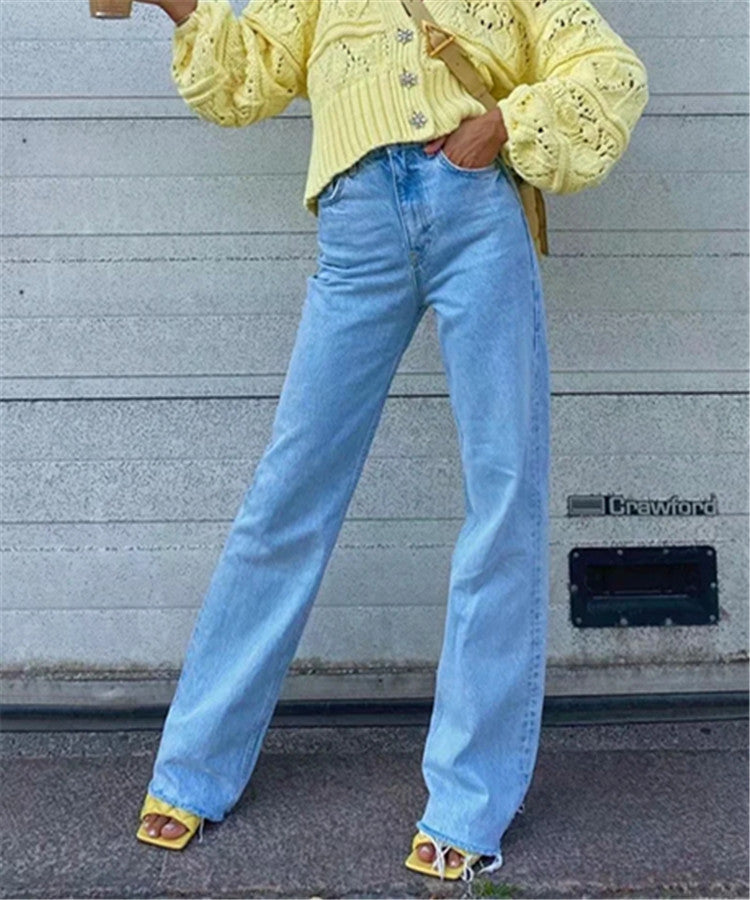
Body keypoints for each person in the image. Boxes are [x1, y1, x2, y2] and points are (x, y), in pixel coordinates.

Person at [134, 0, 649, 882]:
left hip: (476, 213)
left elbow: (610, 70)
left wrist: (499, 127)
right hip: (359, 218)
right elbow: (248, 75)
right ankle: (193, 768)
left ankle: (469, 800)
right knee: (289, 493)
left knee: (504, 495)